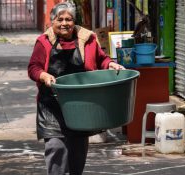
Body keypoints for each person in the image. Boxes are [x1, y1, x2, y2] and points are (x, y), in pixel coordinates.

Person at [27, 2, 124, 175]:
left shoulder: (87, 39)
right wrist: (44, 76)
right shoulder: (44, 42)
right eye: (60, 19)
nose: (65, 23)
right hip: (52, 106)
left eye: (69, 19)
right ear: (52, 21)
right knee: (56, 147)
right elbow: (33, 67)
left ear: (74, 21)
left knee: (77, 154)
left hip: (80, 105)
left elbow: (101, 59)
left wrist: (110, 64)